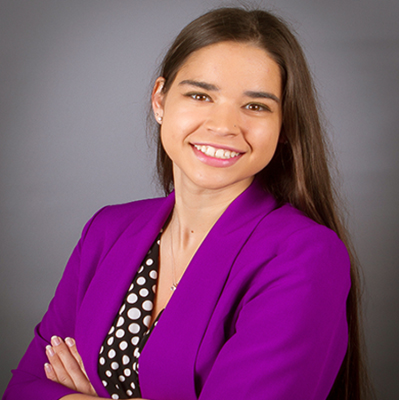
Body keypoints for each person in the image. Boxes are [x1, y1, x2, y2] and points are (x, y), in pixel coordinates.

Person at [3, 7, 373, 400]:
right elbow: (23, 390)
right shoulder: (107, 231)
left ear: (285, 125)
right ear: (160, 100)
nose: (223, 125)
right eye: (200, 95)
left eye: (255, 106)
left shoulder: (305, 256)